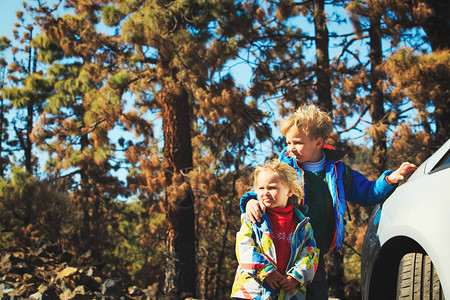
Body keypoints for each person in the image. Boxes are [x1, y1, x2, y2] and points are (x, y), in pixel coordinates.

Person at [241, 104, 417, 299]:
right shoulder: (284, 169)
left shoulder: (338, 172)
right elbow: (265, 188)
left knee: (316, 294)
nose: (290, 149)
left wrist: (389, 180)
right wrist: (250, 201)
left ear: (318, 143)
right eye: (288, 142)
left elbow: (367, 192)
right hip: (278, 249)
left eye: (297, 142)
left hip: (312, 254)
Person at [231, 159, 320, 300]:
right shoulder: (253, 218)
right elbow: (244, 248)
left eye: (272, 188)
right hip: (252, 292)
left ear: (289, 191)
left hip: (288, 293)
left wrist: (296, 276)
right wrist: (266, 271)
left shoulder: (302, 224)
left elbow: (310, 253)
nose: (265, 193)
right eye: (261, 188)